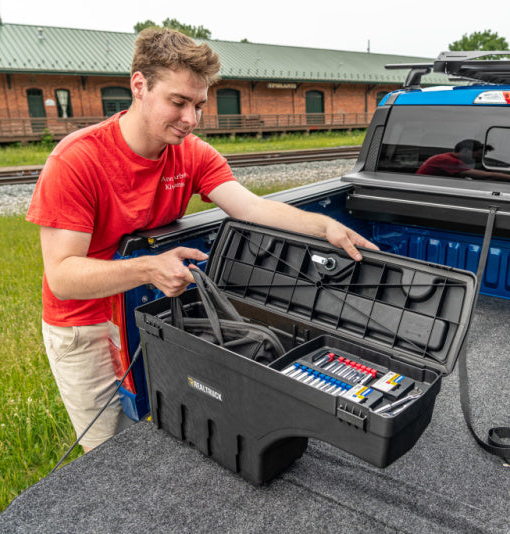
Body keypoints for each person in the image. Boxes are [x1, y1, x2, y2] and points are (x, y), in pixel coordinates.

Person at [26, 28, 378, 452]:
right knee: (109, 450)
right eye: (178, 102)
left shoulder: (190, 153)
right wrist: (147, 268)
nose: (191, 119)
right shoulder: (77, 160)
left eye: (198, 105)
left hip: (150, 308)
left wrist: (324, 227)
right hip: (86, 326)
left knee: (166, 424)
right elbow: (62, 275)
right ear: (139, 86)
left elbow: (250, 208)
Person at [416, 139, 510, 186]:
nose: (478, 159)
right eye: (478, 155)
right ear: (466, 151)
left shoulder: (447, 158)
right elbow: (488, 175)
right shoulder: (447, 161)